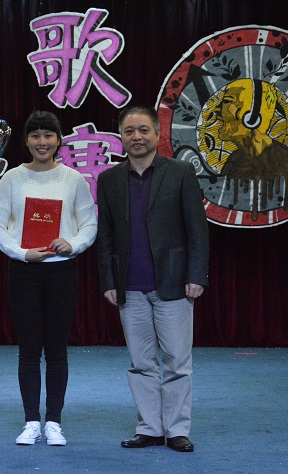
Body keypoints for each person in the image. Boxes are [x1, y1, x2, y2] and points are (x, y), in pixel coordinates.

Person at [96, 105, 209, 453]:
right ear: (120, 136)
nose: (137, 137)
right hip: (129, 286)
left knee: (177, 363)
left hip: (174, 284)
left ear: (158, 134)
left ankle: (176, 430)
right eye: (129, 131)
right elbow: (105, 236)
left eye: (144, 130)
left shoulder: (181, 172)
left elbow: (197, 230)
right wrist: (108, 280)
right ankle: (149, 428)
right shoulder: (109, 179)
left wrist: (196, 275)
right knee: (141, 363)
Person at [0, 111, 97, 446]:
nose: (42, 142)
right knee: (29, 350)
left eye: (48, 135)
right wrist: (22, 253)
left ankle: (54, 422)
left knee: (57, 350)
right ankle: (31, 421)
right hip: (24, 272)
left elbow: (89, 224)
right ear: (26, 141)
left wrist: (72, 244)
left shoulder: (73, 179)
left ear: (59, 140)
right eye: (35, 135)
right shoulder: (12, 179)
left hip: (62, 272)